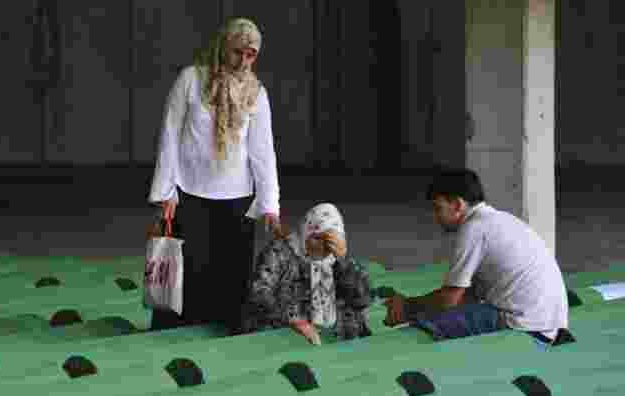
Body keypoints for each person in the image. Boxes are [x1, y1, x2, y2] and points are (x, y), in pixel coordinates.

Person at [147, 17, 283, 331]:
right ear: (223, 46)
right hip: (189, 194)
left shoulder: (256, 93)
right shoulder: (190, 80)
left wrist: (270, 205)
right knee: (186, 277)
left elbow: (263, 152)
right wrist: (166, 192)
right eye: (238, 52)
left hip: (237, 200)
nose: (244, 61)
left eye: (251, 55)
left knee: (231, 282)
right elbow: (169, 135)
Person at [384, 168, 575, 346]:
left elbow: (449, 300)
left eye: (438, 208)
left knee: (431, 326)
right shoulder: (502, 220)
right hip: (550, 326)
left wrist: (407, 308)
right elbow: (468, 295)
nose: (436, 217)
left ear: (458, 204)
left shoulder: (473, 229)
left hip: (524, 325)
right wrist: (410, 307)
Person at [237, 203, 373, 345]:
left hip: (323, 327)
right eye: (317, 238)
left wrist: (344, 262)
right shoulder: (279, 251)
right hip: (283, 325)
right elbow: (259, 293)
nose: (323, 247)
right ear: (305, 233)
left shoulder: (335, 258)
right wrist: (294, 319)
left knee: (354, 319)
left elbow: (362, 300)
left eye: (330, 240)